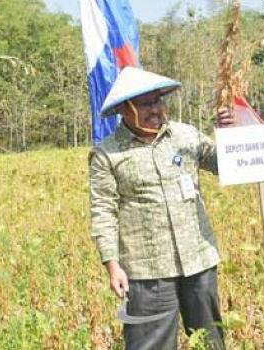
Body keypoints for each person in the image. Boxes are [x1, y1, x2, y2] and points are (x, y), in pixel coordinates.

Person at [88, 66, 235, 350]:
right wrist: (112, 264)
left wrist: (229, 134)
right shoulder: (107, 154)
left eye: (157, 101)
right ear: (124, 109)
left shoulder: (185, 136)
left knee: (210, 343)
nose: (155, 109)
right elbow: (103, 210)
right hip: (146, 271)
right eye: (145, 104)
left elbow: (225, 165)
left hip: (198, 261)